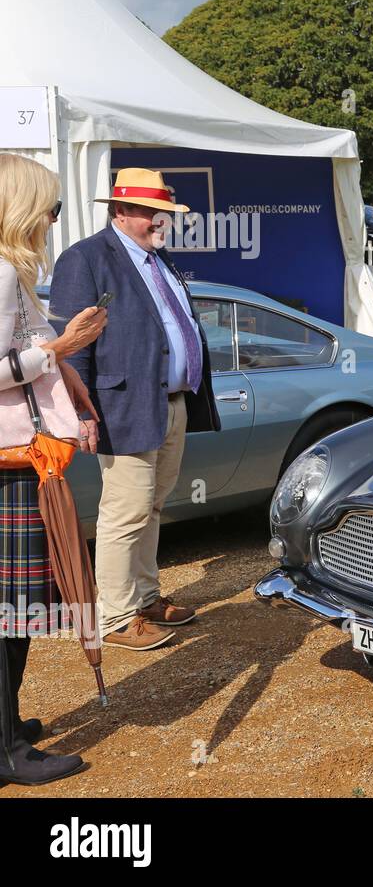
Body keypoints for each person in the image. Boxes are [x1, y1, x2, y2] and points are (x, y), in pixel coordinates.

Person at [50, 168, 222, 651]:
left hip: (169, 402)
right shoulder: (84, 258)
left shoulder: (155, 257)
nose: (160, 221)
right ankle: (116, 616)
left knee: (152, 505)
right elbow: (72, 343)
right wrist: (80, 410)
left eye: (164, 213)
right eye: (152, 213)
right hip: (122, 406)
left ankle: (145, 598)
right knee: (124, 512)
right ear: (120, 211)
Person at [0, 154, 107, 784]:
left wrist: (64, 369)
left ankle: (7, 727)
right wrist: (59, 350)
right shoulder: (3, 274)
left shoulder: (13, 273)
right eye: (51, 205)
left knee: (15, 611)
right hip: (12, 464)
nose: (52, 218)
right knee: (10, 612)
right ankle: (7, 749)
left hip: (19, 461)